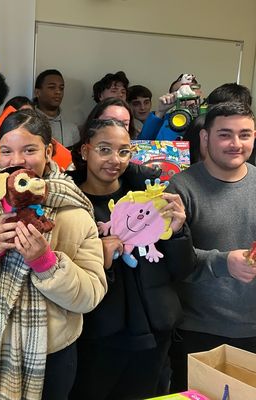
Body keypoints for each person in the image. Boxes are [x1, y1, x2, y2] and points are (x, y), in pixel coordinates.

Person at [0, 109, 107, 400]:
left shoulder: (74, 209)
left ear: (48, 151)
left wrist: (47, 263)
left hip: (52, 352)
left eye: (29, 150)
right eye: (6, 151)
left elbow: (91, 294)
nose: (16, 161)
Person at [67, 118, 195, 399]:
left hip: (153, 332)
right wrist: (96, 255)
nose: (115, 160)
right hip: (96, 335)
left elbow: (183, 269)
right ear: (85, 151)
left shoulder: (152, 201)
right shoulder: (68, 205)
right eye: (104, 149)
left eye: (124, 151)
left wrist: (176, 233)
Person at [166, 102, 256, 392]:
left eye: (245, 134)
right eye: (225, 134)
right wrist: (222, 262)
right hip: (197, 330)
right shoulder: (181, 187)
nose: (236, 144)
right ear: (205, 138)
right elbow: (172, 260)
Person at [138, 74, 202, 141]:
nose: (185, 94)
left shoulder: (208, 115)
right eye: (178, 91)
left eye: (192, 88)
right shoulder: (167, 120)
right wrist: (160, 112)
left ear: (200, 92)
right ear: (171, 97)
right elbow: (142, 144)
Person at [34, 69, 79, 147]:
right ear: (38, 93)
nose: (58, 92)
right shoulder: (27, 123)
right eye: (52, 87)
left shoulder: (72, 128)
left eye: (61, 88)